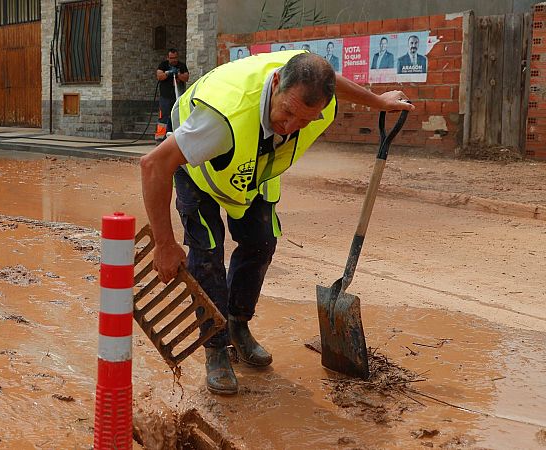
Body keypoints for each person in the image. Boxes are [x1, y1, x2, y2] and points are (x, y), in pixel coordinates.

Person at [139, 51, 413, 395]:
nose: (291, 126)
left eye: (305, 121)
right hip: (199, 168)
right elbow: (153, 165)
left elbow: (328, 79)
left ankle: (238, 325)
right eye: (287, 113)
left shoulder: (313, 94)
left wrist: (376, 101)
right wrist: (164, 244)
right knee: (207, 251)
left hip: (254, 165)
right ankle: (216, 348)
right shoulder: (220, 121)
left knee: (262, 241)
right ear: (276, 83)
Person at [156, 49, 190, 139]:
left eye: (175, 58)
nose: (173, 60)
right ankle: (160, 138)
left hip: (178, 96)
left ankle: (176, 137)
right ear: (168, 58)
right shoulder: (163, 65)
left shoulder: (181, 66)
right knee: (164, 117)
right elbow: (159, 76)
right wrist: (168, 73)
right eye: (171, 58)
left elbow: (186, 77)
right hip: (165, 96)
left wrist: (178, 74)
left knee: (177, 116)